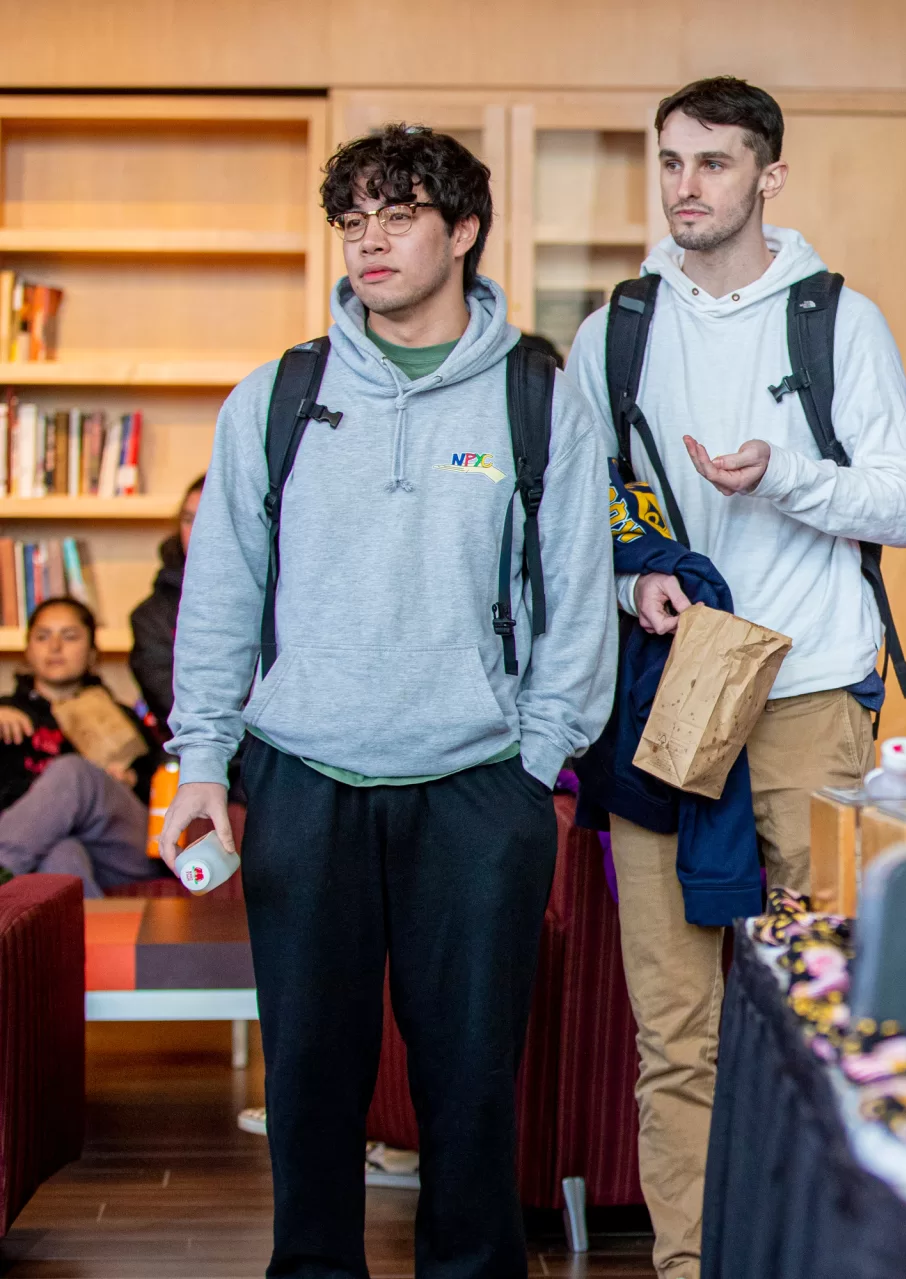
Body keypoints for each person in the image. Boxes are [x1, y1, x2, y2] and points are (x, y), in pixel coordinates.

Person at [160, 123, 615, 1278]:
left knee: (469, 1079)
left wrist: (534, 758)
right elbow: (220, 595)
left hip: (477, 787)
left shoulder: (538, 397)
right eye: (352, 221)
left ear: (461, 231)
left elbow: (577, 602)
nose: (369, 241)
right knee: (311, 1076)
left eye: (398, 216)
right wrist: (203, 763)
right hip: (303, 777)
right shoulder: (278, 395)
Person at [563, 77, 906, 1279]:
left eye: (713, 164)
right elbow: (573, 522)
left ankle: (822, 1257)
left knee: (826, 1016)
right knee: (673, 1029)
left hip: (813, 696)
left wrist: (782, 475)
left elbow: (901, 501)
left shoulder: (837, 320)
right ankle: (686, 1268)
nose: (684, 186)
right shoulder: (611, 328)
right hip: (665, 700)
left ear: (769, 176)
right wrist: (631, 584)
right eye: (669, 162)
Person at [0, 598, 164, 897]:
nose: (55, 646)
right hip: (44, 844)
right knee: (62, 855)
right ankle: (83, 941)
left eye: (70, 636)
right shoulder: (6, 714)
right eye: (42, 636)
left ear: (91, 653)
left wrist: (131, 781)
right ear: (27, 650)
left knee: (74, 771)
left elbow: (162, 786)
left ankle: (2, 866)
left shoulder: (123, 718)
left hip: (118, 848)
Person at [128, 476, 202, 727]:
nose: (196, 531)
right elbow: (175, 708)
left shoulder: (278, 595)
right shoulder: (152, 616)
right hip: (194, 755)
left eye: (209, 518)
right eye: (189, 519)